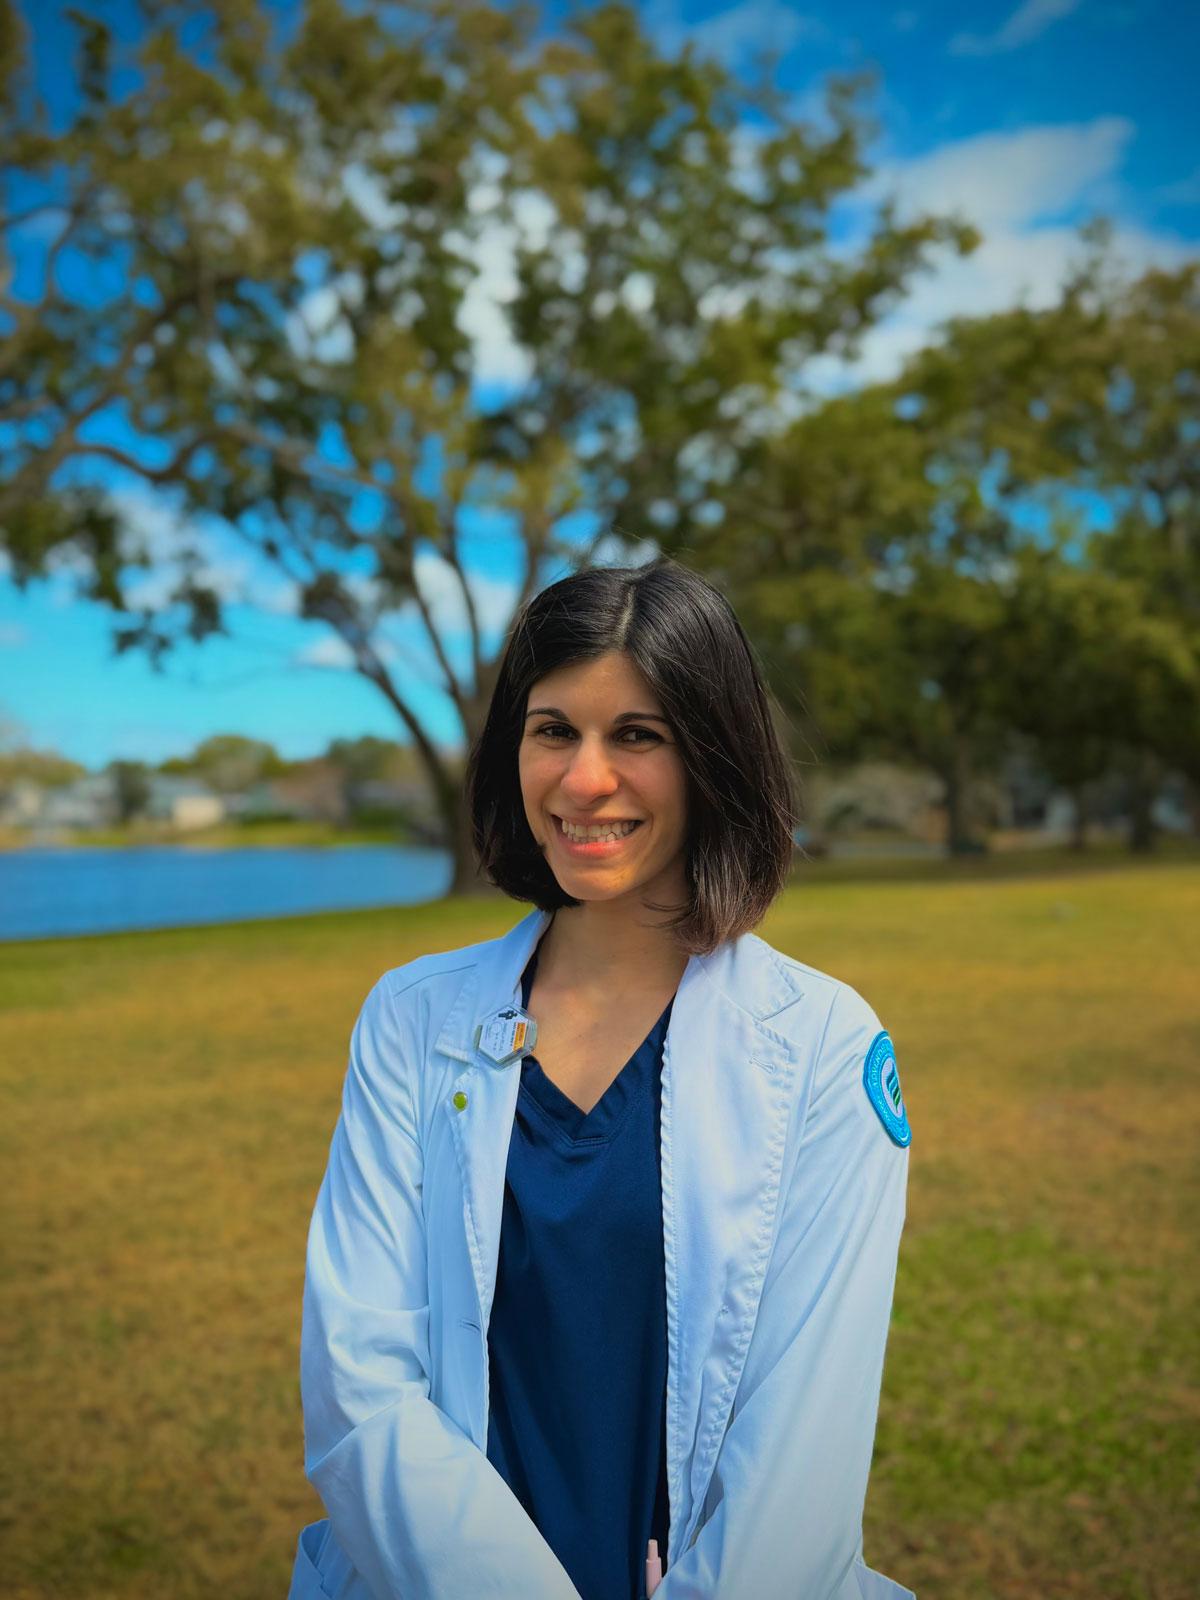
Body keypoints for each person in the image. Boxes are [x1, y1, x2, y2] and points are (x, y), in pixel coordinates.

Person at [288, 558, 914, 1600]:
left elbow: (802, 1449)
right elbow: (359, 1386)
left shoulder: (824, 1045)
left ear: (712, 755)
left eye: (638, 734)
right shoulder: (410, 1019)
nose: (584, 779)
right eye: (552, 730)